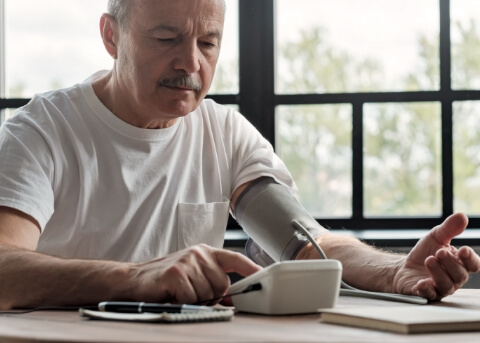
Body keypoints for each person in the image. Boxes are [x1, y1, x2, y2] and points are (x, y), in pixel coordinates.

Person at [0, 0, 479, 311]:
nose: (191, 63)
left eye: (208, 43)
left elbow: (304, 244)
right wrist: (133, 278)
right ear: (111, 36)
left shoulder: (222, 131)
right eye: (166, 39)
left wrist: (393, 272)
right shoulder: (41, 131)